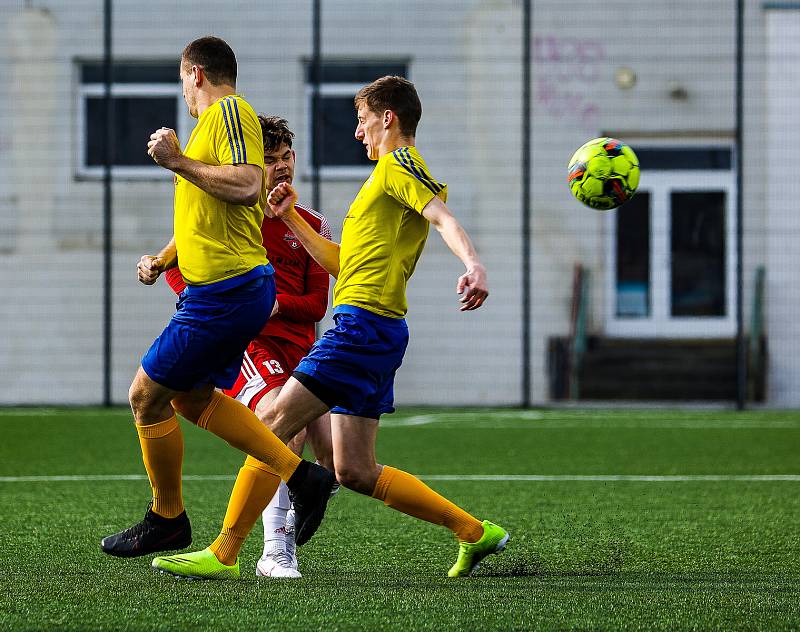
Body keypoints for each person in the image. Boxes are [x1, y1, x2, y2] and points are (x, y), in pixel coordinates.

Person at [154, 75, 509, 580]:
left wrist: (473, 264)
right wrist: (292, 219)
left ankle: (226, 552)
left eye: (363, 121)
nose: (359, 133)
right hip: (381, 329)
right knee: (355, 471)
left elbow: (441, 217)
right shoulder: (383, 180)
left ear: (388, 118)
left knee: (274, 421)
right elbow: (347, 264)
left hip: (360, 327)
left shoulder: (398, 165)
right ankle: (475, 532)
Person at [99, 36, 335, 570]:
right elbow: (210, 215)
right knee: (187, 398)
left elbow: (247, 185)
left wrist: (176, 159)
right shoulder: (212, 127)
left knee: (144, 396)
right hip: (227, 289)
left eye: (183, 80)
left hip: (225, 291)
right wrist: (164, 259)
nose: (183, 91)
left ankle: (168, 519)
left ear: (195, 73)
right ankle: (303, 476)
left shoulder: (227, 110)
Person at [163, 115, 336, 578]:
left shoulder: (312, 223)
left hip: (302, 351)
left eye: (286, 158)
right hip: (250, 345)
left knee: (340, 465)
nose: (280, 167)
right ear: (250, 165)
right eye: (269, 159)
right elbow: (179, 266)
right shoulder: (229, 216)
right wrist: (209, 303)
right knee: (282, 425)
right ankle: (274, 551)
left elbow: (318, 302)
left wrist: (277, 305)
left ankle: (297, 507)